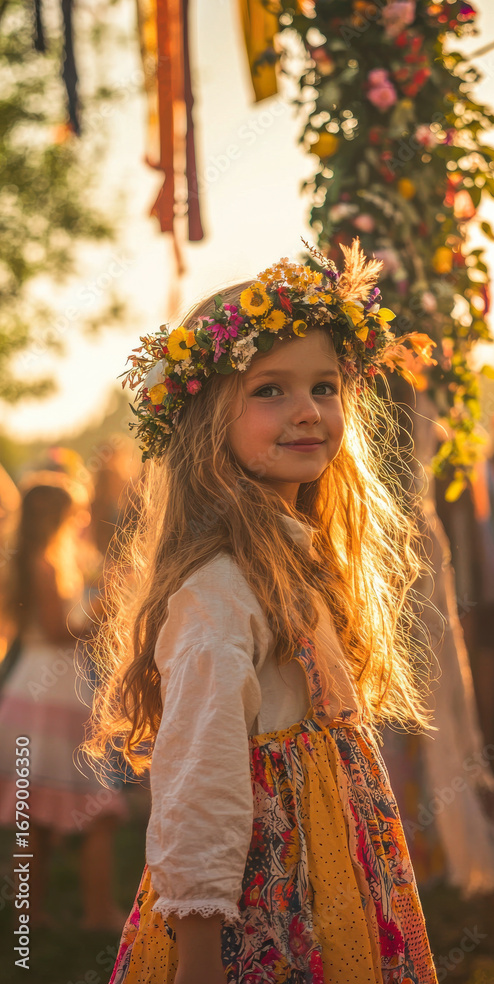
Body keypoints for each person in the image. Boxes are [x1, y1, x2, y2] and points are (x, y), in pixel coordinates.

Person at [83, 242, 439, 983]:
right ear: (210, 420)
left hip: (332, 880)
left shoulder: (296, 557)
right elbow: (199, 783)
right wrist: (203, 963)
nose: (308, 410)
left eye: (325, 386)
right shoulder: (217, 594)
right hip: (258, 912)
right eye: (269, 390)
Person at [0, 474, 128, 930]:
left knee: (33, 813)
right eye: (75, 510)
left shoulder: (42, 560)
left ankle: (29, 915)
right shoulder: (45, 565)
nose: (82, 518)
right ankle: (98, 913)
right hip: (51, 700)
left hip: (31, 693)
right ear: (54, 515)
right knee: (98, 812)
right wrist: (106, 610)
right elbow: (59, 632)